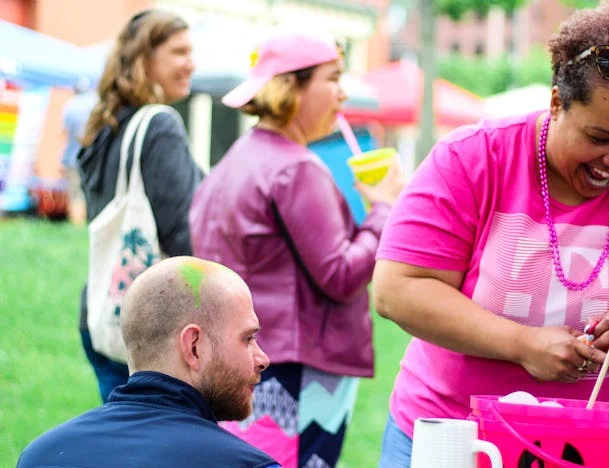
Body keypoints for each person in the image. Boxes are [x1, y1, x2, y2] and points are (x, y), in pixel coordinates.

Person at [372, 2, 609, 465]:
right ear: (556, 103)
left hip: (599, 446)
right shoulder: (472, 158)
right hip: (456, 439)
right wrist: (522, 345)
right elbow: (397, 290)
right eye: (598, 137)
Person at [189, 26, 403, 468]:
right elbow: (340, 275)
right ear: (291, 87)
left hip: (237, 358)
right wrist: (384, 208)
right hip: (295, 370)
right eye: (333, 78)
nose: (343, 93)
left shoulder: (234, 161)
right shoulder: (296, 169)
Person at [17, 257, 281, 468]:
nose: (263, 359)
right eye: (248, 339)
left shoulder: (39, 457)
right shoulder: (248, 464)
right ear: (193, 346)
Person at [77, 9, 203, 403]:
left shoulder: (105, 125)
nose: (191, 64)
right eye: (179, 52)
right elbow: (183, 233)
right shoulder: (160, 124)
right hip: (154, 327)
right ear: (144, 60)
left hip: (103, 310)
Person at [60, 78, 98, 224]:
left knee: (76, 193)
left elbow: (64, 132)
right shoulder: (95, 103)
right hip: (93, 156)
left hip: (73, 157)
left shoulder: (70, 105)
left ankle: (77, 224)